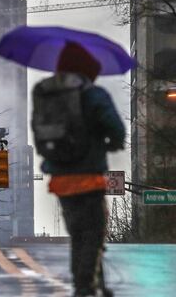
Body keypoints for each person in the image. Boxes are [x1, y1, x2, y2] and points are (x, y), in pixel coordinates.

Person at [33, 42, 125, 297]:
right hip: (89, 177)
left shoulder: (45, 94)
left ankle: (88, 283)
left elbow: (39, 133)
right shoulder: (94, 95)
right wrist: (111, 143)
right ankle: (85, 286)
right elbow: (116, 129)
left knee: (77, 234)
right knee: (93, 234)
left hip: (61, 180)